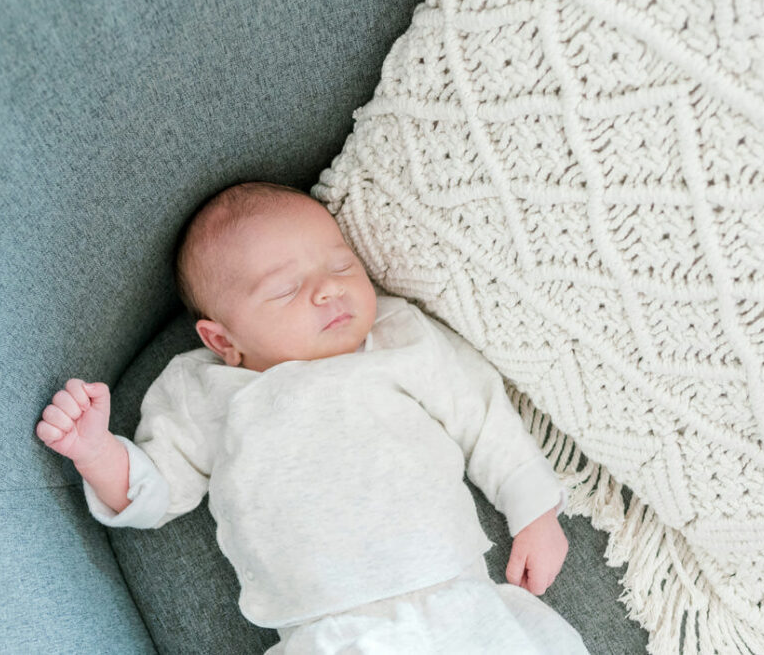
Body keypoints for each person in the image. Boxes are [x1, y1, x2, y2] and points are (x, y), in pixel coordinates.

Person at [37, 182, 588, 653]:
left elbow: (481, 415)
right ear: (222, 339)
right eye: (286, 289)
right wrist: (96, 452)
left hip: (456, 599)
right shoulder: (206, 390)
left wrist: (534, 510)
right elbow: (157, 490)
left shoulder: (398, 338)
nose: (329, 287)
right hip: (324, 632)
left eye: (341, 264)